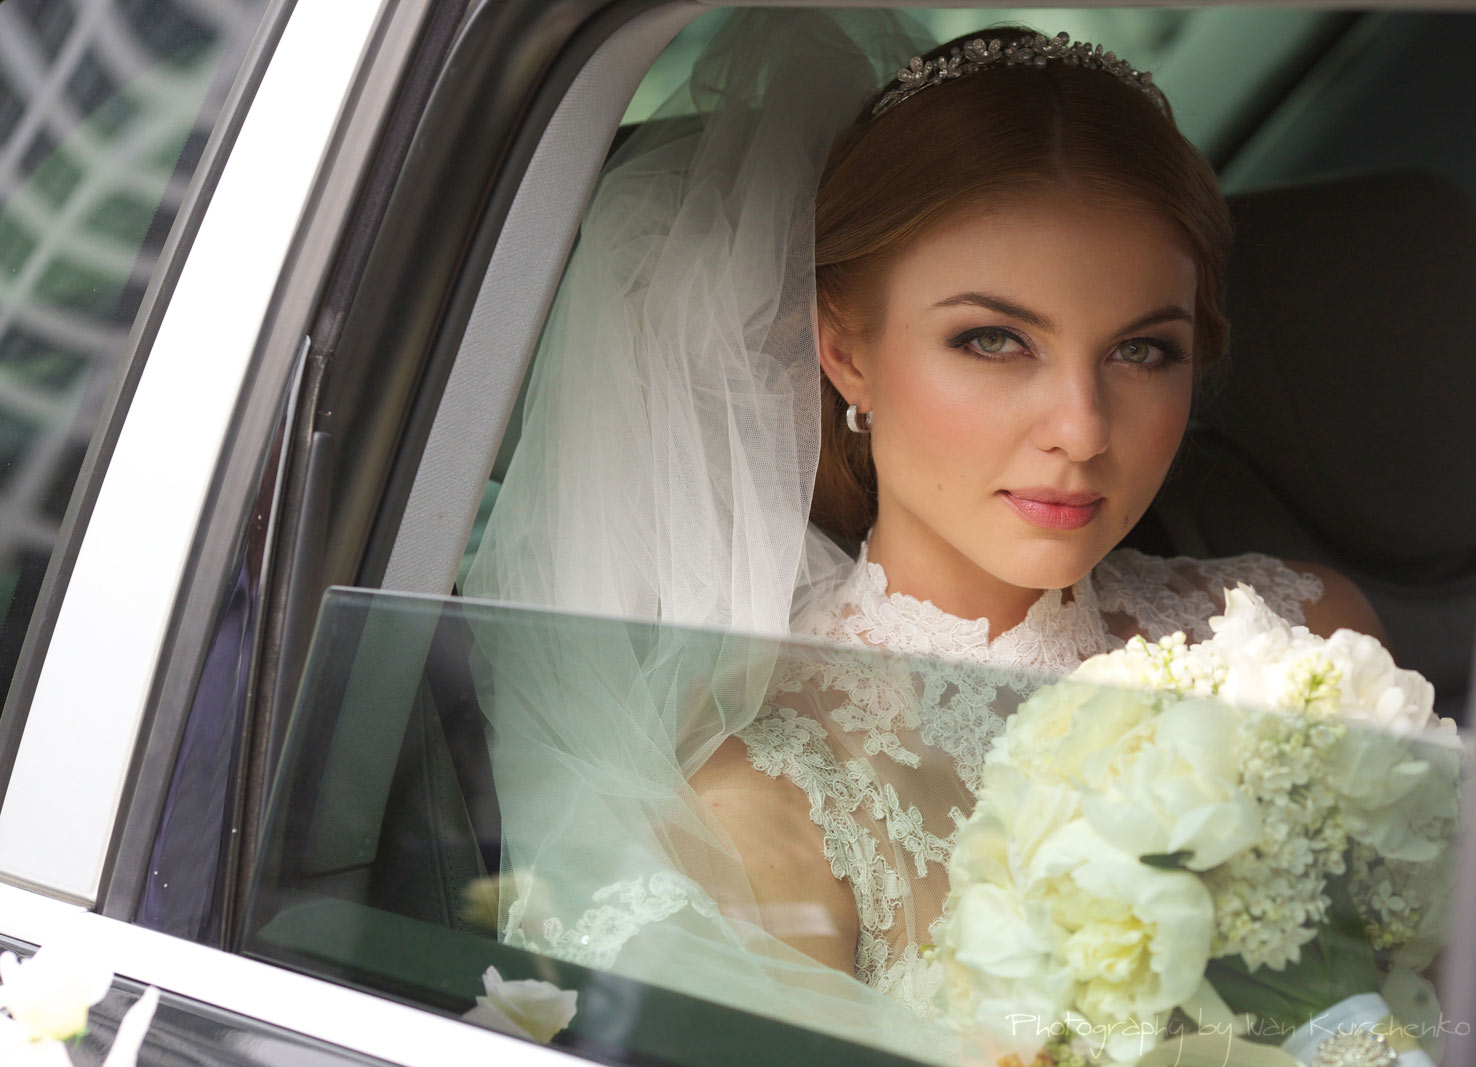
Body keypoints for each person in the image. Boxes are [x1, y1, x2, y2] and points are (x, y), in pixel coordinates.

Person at [462, 10, 1387, 1064]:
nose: (1082, 429)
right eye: (993, 340)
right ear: (845, 351)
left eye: (1141, 351)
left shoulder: (1310, 643)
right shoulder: (766, 811)